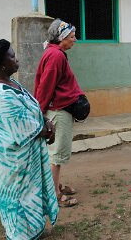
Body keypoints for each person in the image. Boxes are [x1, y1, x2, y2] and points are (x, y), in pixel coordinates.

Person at [0, 39, 60, 239]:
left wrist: (46, 121)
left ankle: (34, 231)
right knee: (18, 201)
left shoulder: (12, 84)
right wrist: (48, 129)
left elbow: (32, 110)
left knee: (31, 198)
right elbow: (22, 128)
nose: (16, 59)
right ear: (1, 64)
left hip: (26, 162)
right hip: (13, 165)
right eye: (12, 56)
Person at [35, 19, 84, 207]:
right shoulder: (55, 56)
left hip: (58, 109)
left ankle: (55, 185)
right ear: (62, 38)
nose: (75, 39)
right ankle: (54, 195)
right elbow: (45, 88)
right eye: (72, 37)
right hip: (58, 111)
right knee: (56, 156)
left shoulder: (55, 53)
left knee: (55, 155)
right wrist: (40, 113)